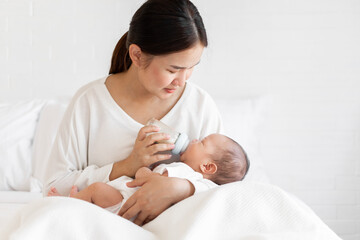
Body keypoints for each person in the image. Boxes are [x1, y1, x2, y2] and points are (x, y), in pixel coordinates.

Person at [44, 0, 224, 226]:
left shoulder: (200, 105)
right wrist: (126, 166)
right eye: (173, 69)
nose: (182, 81)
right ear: (137, 55)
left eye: (191, 67)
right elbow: (54, 186)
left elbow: (225, 190)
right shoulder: (90, 102)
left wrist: (180, 188)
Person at [47, 134, 250, 219]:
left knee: (96, 190)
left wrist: (145, 167)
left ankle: (64, 209)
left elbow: (146, 178)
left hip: (127, 203)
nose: (195, 139)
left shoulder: (182, 172)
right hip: (132, 208)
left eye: (202, 142)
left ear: (207, 166)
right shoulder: (197, 184)